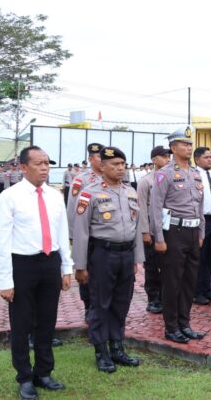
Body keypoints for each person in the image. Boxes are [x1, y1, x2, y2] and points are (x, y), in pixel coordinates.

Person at [0, 146, 73, 400]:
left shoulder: (54, 195)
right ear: (24, 167)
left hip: (50, 263)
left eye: (47, 163)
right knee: (22, 323)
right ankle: (25, 377)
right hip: (22, 265)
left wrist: (66, 267)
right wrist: (5, 280)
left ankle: (44, 372)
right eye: (38, 163)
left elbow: (61, 232)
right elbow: (1, 240)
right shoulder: (10, 196)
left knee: (47, 321)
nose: (45, 168)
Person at [72, 146, 144, 373]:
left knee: (121, 303)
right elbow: (81, 231)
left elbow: (137, 227)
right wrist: (80, 265)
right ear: (102, 166)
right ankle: (101, 352)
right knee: (100, 304)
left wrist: (137, 258)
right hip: (102, 254)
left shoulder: (130, 192)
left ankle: (117, 348)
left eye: (122, 164)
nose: (120, 168)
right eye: (114, 164)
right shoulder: (89, 193)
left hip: (125, 254)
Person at [149, 126, 206, 344]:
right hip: (173, 231)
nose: (189, 147)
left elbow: (199, 206)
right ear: (173, 148)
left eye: (190, 144)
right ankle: (171, 327)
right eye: (184, 144)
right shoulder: (165, 173)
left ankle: (185, 323)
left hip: (192, 232)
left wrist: (200, 232)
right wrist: (159, 238)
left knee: (189, 282)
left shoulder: (194, 173)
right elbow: (156, 207)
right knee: (172, 282)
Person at [67, 143, 105, 319]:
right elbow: (73, 210)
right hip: (86, 237)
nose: (102, 160)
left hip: (105, 237)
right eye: (99, 156)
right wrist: (73, 236)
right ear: (90, 159)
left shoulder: (112, 178)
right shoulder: (81, 181)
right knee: (86, 273)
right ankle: (89, 306)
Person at [137, 145, 171, 314]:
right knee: (151, 265)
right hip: (151, 228)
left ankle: (166, 297)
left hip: (169, 227)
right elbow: (141, 208)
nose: (167, 159)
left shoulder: (172, 178)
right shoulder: (146, 181)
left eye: (168, 156)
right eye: (163, 156)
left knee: (168, 265)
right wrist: (144, 231)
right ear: (154, 159)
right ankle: (153, 298)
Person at [193, 146, 211, 306]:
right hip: (201, 220)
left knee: (210, 256)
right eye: (206, 157)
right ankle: (197, 292)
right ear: (197, 159)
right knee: (200, 257)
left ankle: (207, 289)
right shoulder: (193, 176)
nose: (210, 159)